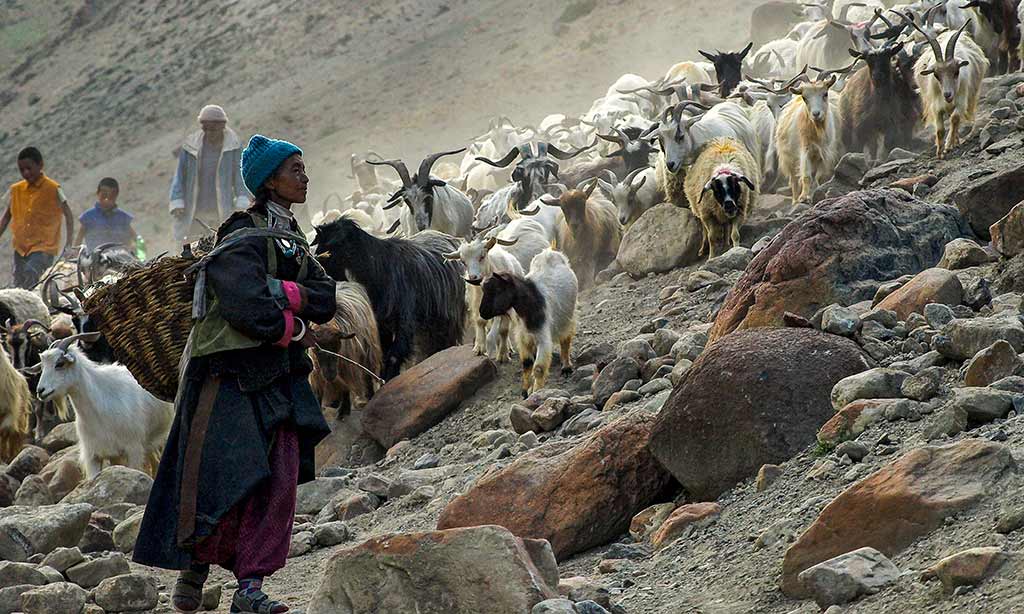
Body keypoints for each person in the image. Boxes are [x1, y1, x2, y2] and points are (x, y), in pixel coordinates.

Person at [134, 135, 335, 614]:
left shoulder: (294, 239)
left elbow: (326, 296)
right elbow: (245, 304)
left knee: (276, 478)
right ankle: (194, 571)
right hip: (228, 375)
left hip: (278, 373)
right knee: (220, 475)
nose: (305, 177)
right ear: (270, 180)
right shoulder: (239, 234)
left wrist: (283, 291)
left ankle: (250, 588)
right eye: (295, 169)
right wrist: (296, 319)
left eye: (304, 168)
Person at [169, 104, 250, 244]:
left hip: (222, 207)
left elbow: (240, 176)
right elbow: (180, 176)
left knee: (221, 244)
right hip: (194, 208)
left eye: (212, 129)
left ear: (222, 126)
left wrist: (242, 201)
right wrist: (177, 201)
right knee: (187, 247)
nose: (208, 133)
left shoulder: (233, 146)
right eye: (205, 128)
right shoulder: (191, 146)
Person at [0, 147, 75, 288]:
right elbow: (6, 218)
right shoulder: (16, 190)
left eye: (29, 168)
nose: (26, 173)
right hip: (20, 248)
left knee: (33, 276)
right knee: (19, 285)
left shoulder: (53, 188)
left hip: (43, 247)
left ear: (40, 165)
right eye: (22, 170)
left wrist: (69, 244)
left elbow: (68, 215)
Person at [74, 177, 138, 252]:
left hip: (120, 259)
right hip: (95, 259)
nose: (107, 199)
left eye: (111, 196)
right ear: (98, 193)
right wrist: (75, 253)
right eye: (104, 195)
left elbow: (136, 239)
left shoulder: (123, 218)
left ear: (116, 195)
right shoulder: (88, 217)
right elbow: (78, 240)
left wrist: (137, 253)